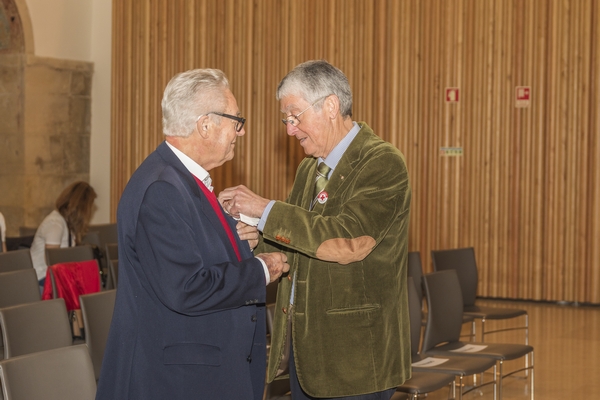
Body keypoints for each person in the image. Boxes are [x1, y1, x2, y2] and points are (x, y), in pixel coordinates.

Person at [218, 60, 412, 400]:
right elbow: (297, 243)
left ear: (331, 106)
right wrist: (253, 237)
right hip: (307, 353)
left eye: (295, 116)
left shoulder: (382, 161)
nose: (290, 130)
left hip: (355, 359)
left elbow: (348, 241)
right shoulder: (310, 169)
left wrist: (265, 210)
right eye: (286, 120)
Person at [96, 68, 290, 400]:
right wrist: (261, 268)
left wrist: (236, 238)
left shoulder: (181, 181)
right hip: (176, 381)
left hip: (201, 373)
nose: (241, 131)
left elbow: (197, 256)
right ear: (205, 125)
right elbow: (186, 287)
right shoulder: (162, 189)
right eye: (236, 121)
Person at [30, 181, 97, 288]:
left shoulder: (67, 223)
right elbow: (52, 262)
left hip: (51, 277)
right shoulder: (55, 223)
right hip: (41, 278)